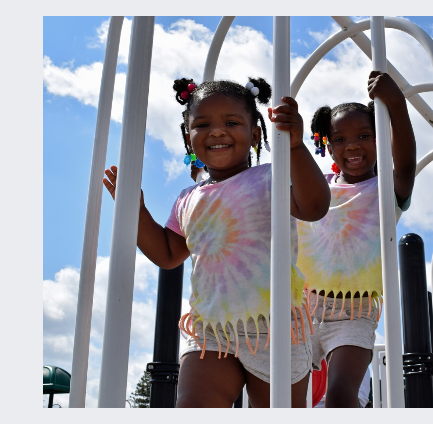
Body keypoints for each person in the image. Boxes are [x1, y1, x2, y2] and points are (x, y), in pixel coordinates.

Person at [102, 76, 330, 408]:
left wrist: (294, 147)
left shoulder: (270, 177)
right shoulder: (188, 198)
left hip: (274, 326)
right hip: (210, 329)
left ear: (255, 133)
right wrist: (136, 211)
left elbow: (314, 206)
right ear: (187, 136)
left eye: (232, 122)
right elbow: (167, 254)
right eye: (203, 124)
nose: (217, 131)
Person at [297, 71, 416, 407]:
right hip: (304, 308)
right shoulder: (319, 186)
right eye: (339, 139)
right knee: (284, 394)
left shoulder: (385, 190)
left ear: (380, 140)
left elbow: (406, 165)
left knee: (340, 393)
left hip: (354, 310)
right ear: (327, 143)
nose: (351, 145)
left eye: (365, 135)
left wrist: (396, 105)